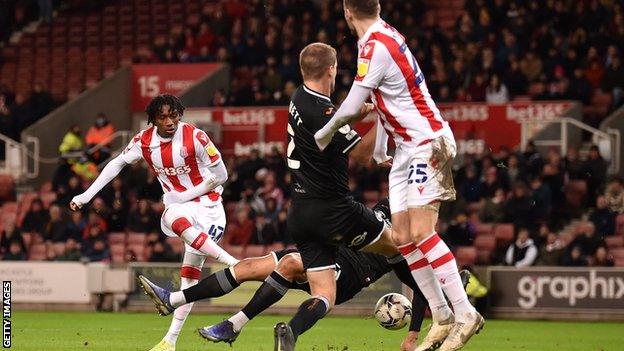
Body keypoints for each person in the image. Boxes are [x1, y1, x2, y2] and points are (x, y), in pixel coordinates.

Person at [313, 2, 482, 350]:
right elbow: (380, 99)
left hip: (426, 141)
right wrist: (379, 150)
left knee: (421, 231)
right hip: (406, 148)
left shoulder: (375, 44)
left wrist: (323, 133)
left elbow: (352, 105)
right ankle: (442, 315)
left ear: (347, 11)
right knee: (403, 237)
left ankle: (465, 313)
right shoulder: (380, 38)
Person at [137, 200, 469, 349]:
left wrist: (412, 334)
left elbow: (422, 290)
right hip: (326, 246)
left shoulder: (408, 249)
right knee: (250, 266)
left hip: (352, 270)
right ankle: (175, 299)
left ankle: (246, 327)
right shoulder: (388, 206)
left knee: (291, 265)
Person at [271, 41, 426, 351]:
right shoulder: (320, 109)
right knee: (402, 248)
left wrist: (366, 110)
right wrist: (382, 117)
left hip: (313, 223)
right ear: (332, 69)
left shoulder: (300, 99)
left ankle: (282, 330)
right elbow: (362, 155)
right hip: (337, 218)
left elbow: (332, 121)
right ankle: (449, 296)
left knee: (320, 290)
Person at [70, 94, 238, 351]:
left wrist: (183, 195)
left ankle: (233, 266)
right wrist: (86, 195)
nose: (170, 121)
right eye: (163, 117)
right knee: (173, 224)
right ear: (153, 120)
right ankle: (171, 340)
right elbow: (116, 164)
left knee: (188, 278)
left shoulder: (196, 137)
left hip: (210, 207)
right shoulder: (143, 141)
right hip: (181, 209)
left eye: (174, 115)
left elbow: (222, 175)